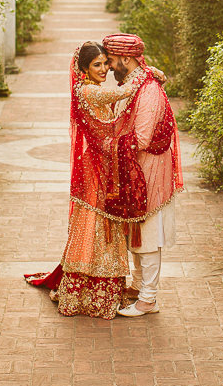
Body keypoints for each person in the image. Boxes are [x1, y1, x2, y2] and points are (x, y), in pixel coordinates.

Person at [25, 41, 165, 319]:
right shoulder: (88, 90)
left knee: (102, 221)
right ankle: (87, 291)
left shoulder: (94, 90)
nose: (104, 69)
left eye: (106, 62)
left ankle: (98, 285)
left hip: (103, 163)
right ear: (84, 69)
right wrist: (150, 73)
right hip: (95, 169)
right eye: (97, 65)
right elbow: (126, 90)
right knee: (95, 221)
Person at [102, 33, 183, 317]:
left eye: (111, 61)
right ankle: (138, 288)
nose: (110, 67)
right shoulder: (135, 82)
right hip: (135, 171)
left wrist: (107, 143)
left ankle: (149, 299)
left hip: (149, 173)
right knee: (134, 233)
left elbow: (143, 138)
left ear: (126, 58)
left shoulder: (148, 90)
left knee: (147, 235)